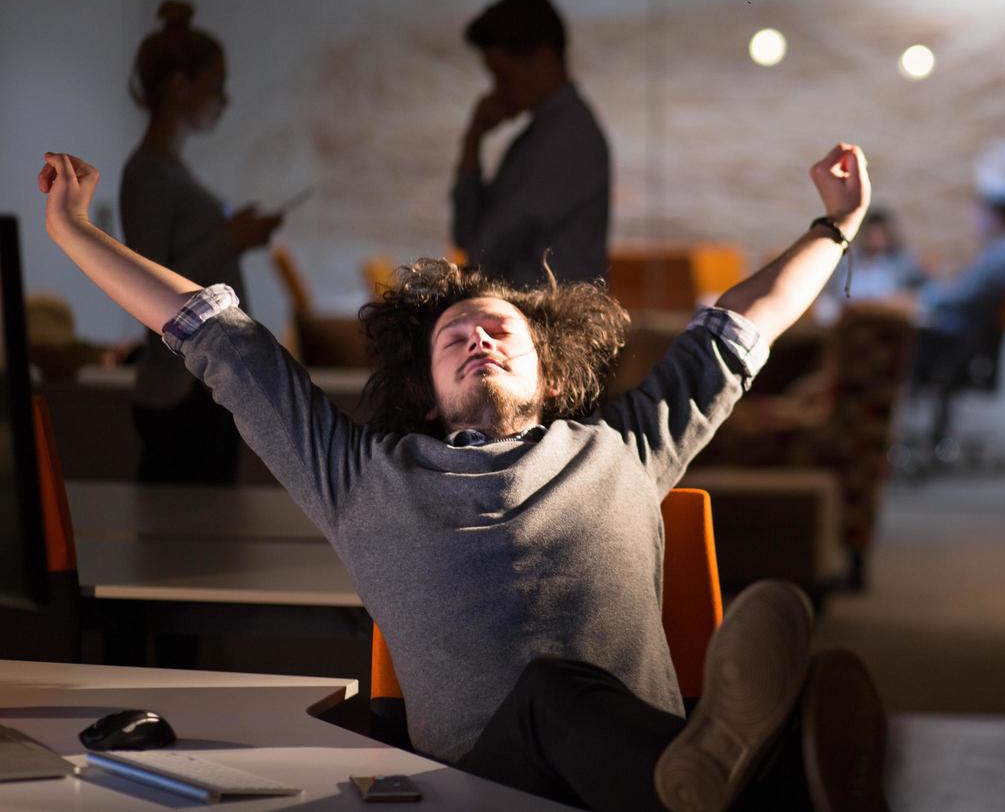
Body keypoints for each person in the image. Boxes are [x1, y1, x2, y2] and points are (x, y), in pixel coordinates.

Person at [38, 143, 884, 810]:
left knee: (599, 717)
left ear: (551, 378)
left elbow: (743, 323)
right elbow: (214, 336)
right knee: (551, 694)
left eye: (501, 334)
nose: (479, 339)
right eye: (455, 339)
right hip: (489, 786)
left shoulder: (623, 445)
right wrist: (73, 231)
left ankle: (724, 778)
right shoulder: (358, 475)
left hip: (632, 773)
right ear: (429, 393)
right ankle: (756, 775)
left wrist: (837, 226)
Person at [119, 0, 283, 483]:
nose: (223, 100)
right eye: (216, 85)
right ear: (179, 85)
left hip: (197, 381)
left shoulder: (165, 169)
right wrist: (230, 239)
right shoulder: (150, 171)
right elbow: (146, 281)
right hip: (181, 387)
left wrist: (233, 239)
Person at [452, 0, 611, 287]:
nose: (498, 89)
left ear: (543, 58)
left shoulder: (568, 138)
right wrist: (473, 139)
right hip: (538, 320)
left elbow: (482, 248)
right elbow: (469, 238)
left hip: (557, 326)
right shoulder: (541, 136)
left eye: (504, 75)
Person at [907, 187, 1005, 456]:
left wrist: (922, 295)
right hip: (964, 335)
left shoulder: (1002, 255)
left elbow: (961, 296)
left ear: (996, 218)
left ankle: (903, 436)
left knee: (904, 344)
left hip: (959, 341)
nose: (977, 221)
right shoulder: (1002, 252)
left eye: (981, 215)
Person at [812, 206, 927, 324]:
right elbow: (836, 292)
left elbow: (915, 292)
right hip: (851, 315)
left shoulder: (899, 261)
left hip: (886, 316)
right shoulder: (849, 258)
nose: (875, 239)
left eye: (880, 234)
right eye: (872, 234)